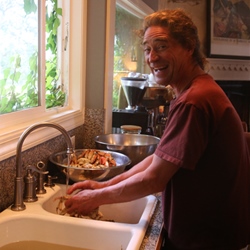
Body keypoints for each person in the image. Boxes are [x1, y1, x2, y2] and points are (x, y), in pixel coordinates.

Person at [65, 9, 250, 250]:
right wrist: (103, 186)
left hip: (208, 242)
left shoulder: (193, 101)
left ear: (189, 47)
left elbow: (154, 179)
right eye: (147, 48)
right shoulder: (198, 89)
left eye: (161, 46)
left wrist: (95, 198)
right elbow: (158, 160)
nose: (152, 57)